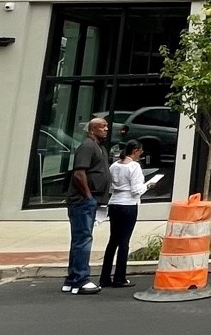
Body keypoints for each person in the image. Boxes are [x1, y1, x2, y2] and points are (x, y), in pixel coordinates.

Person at [62, 116, 110, 295]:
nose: (106, 129)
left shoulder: (99, 147)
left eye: (106, 126)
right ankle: (80, 279)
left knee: (80, 240)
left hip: (91, 202)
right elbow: (79, 174)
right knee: (83, 240)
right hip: (82, 202)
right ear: (92, 130)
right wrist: (89, 197)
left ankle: (72, 279)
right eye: (102, 127)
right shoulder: (88, 147)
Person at [101, 138, 150, 288]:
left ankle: (105, 277)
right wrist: (148, 185)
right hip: (128, 204)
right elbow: (136, 190)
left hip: (114, 203)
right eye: (140, 152)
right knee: (124, 242)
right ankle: (119, 277)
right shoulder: (134, 167)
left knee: (113, 241)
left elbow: (110, 186)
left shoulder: (114, 165)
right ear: (135, 151)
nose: (141, 155)